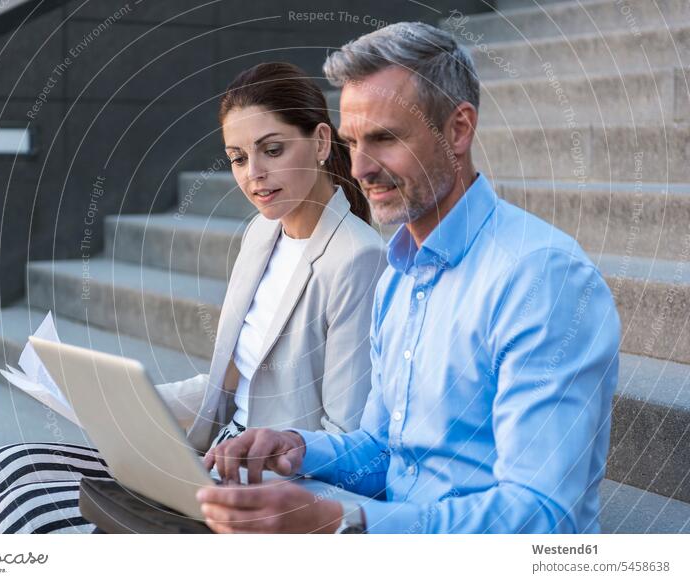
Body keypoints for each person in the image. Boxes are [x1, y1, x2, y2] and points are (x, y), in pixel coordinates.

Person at [197, 22, 621, 534]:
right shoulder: (399, 277)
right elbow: (385, 451)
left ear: (459, 129)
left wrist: (344, 523)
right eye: (353, 142)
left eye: (385, 138)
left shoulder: (542, 279)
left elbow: (540, 515)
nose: (361, 168)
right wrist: (299, 446)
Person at [0, 62, 387, 534]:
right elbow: (228, 387)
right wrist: (121, 402)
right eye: (237, 157)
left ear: (321, 142)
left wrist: (252, 471)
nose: (255, 175)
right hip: (207, 460)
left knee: (31, 509)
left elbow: (348, 441)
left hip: (263, 490)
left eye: (272, 150)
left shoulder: (357, 259)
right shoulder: (261, 233)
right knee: (13, 466)